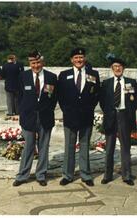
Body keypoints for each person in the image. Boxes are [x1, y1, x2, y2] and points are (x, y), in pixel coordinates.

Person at [13, 50, 57, 187]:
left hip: (45, 117)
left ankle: (41, 174)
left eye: (38, 62)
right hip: (28, 117)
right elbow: (19, 97)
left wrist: (47, 109)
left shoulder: (52, 77)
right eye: (33, 63)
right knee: (28, 147)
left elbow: (54, 98)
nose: (36, 65)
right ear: (29, 63)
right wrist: (22, 112)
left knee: (43, 146)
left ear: (42, 62)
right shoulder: (23, 76)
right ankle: (22, 175)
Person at [58, 48, 100, 187]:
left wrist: (89, 108)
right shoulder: (64, 75)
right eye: (76, 57)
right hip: (70, 117)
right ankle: (67, 175)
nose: (79, 60)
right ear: (71, 60)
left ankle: (85, 174)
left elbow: (96, 94)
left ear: (85, 58)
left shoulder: (93, 74)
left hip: (86, 116)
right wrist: (66, 110)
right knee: (69, 147)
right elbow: (60, 96)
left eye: (81, 57)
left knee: (84, 146)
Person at [99, 57, 137, 186]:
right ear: (112, 68)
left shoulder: (131, 82)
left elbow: (136, 100)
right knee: (109, 147)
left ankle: (126, 175)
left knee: (125, 146)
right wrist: (109, 112)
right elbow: (102, 101)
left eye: (120, 66)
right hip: (111, 116)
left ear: (123, 68)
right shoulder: (106, 83)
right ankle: (107, 175)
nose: (118, 68)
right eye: (115, 66)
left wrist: (129, 112)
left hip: (124, 116)